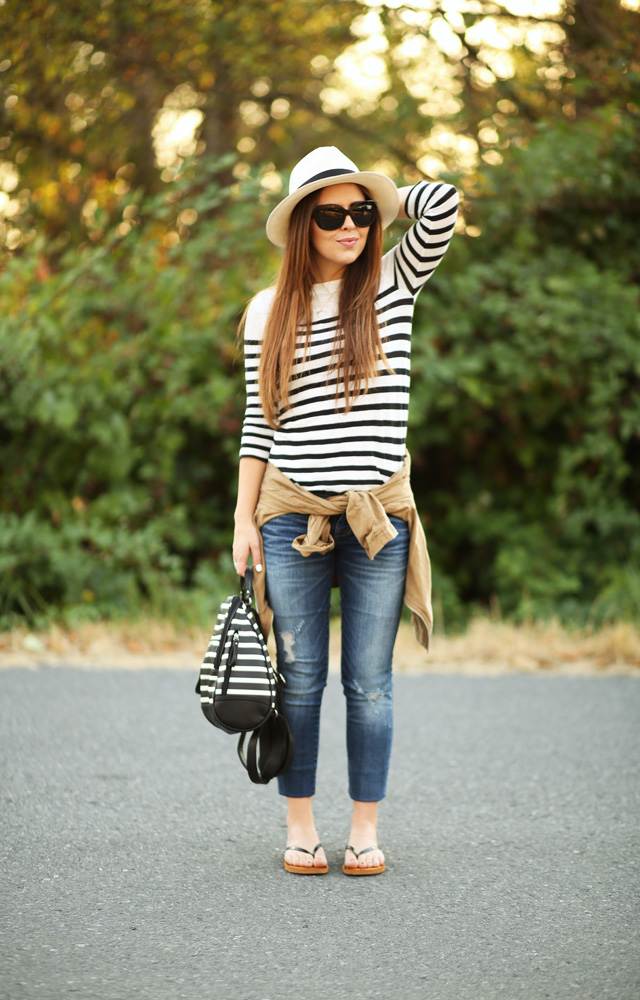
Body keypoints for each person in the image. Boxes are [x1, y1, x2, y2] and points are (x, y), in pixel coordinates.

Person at [232, 146, 458, 876]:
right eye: (331, 213)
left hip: (377, 520)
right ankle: (301, 828)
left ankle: (364, 830)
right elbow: (258, 423)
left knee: (370, 679)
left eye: (361, 212)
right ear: (302, 224)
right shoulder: (267, 312)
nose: (351, 225)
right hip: (292, 516)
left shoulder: (393, 283)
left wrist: (384, 195)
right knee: (298, 678)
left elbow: (445, 206)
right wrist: (243, 520)